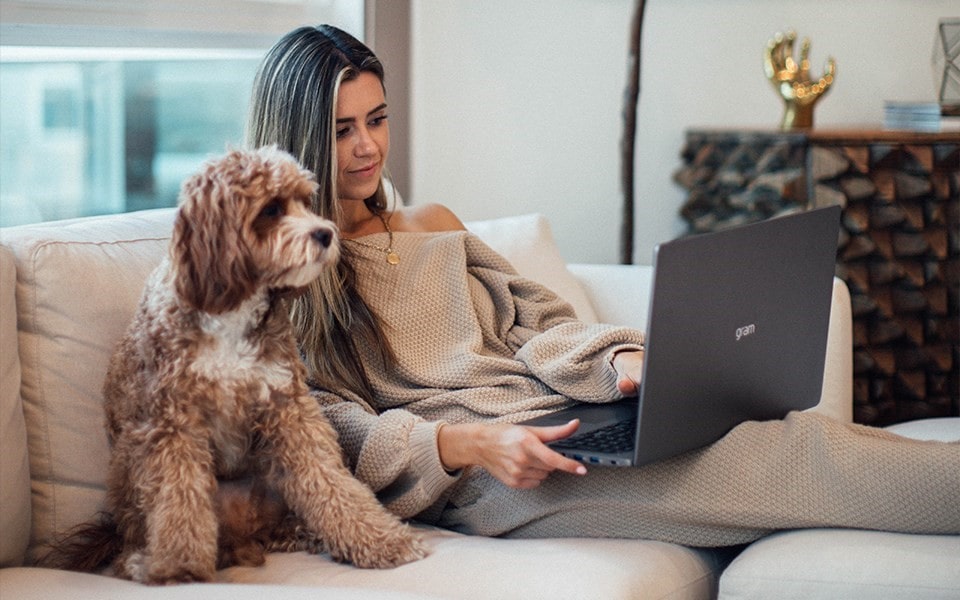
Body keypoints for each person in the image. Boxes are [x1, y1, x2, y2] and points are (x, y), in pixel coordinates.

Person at [245, 24, 959, 546]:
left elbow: (538, 324)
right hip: (491, 478)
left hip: (566, 417)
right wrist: (465, 445)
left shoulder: (433, 223)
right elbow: (330, 429)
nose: (368, 146)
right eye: (341, 131)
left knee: (781, 431)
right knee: (788, 460)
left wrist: (618, 362)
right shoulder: (284, 285)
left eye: (376, 119)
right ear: (300, 136)